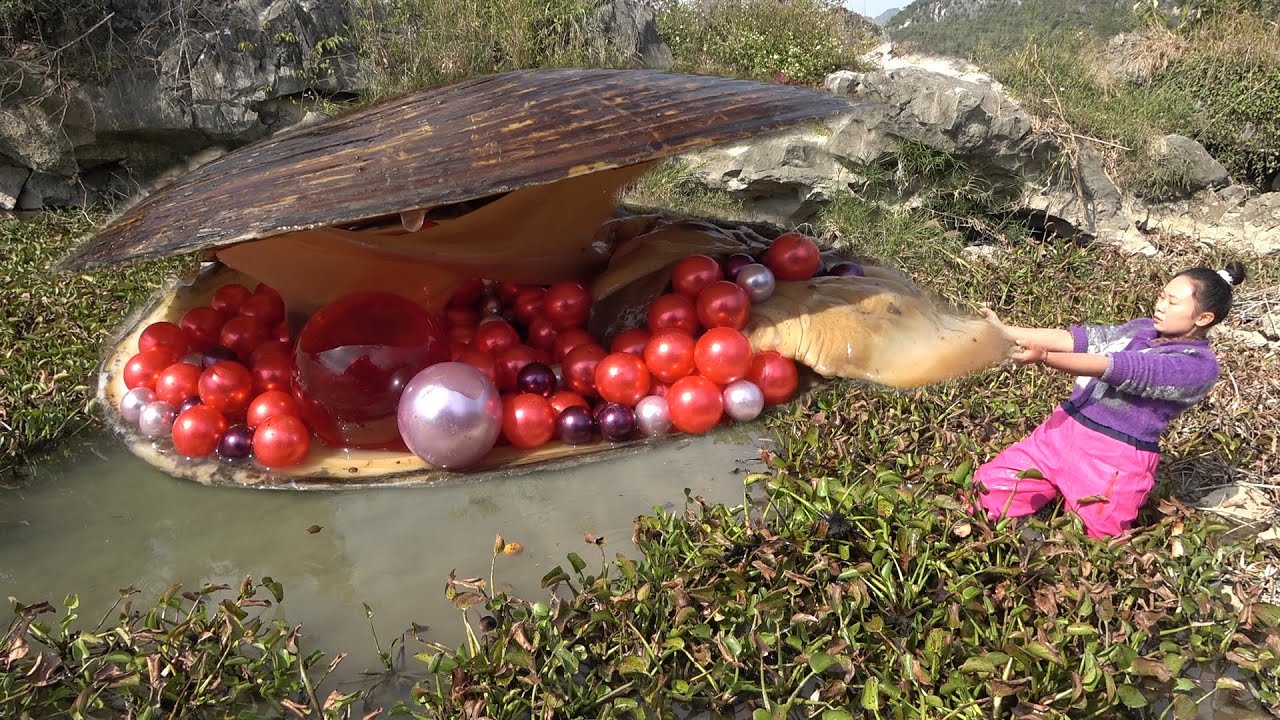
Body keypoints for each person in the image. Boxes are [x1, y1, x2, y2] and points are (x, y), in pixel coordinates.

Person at [975, 261, 1247, 538]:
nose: (1160, 306)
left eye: (1172, 302)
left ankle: (1041, 548)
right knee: (986, 492)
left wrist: (1045, 358)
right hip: (1059, 433)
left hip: (1113, 460)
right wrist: (1007, 332)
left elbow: (1122, 369)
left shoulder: (1198, 367)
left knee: (1094, 542)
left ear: (1203, 318)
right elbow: (1080, 340)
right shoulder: (1141, 330)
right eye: (1161, 296)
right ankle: (1025, 540)